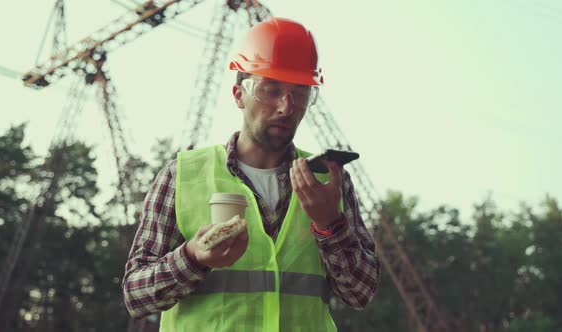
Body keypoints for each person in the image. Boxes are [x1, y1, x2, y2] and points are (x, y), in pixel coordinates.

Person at [123, 17, 381, 331]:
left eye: (299, 93)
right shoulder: (182, 177)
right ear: (238, 95)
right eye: (270, 90)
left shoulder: (329, 180)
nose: (286, 107)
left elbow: (360, 293)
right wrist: (192, 257)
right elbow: (136, 296)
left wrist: (331, 226)